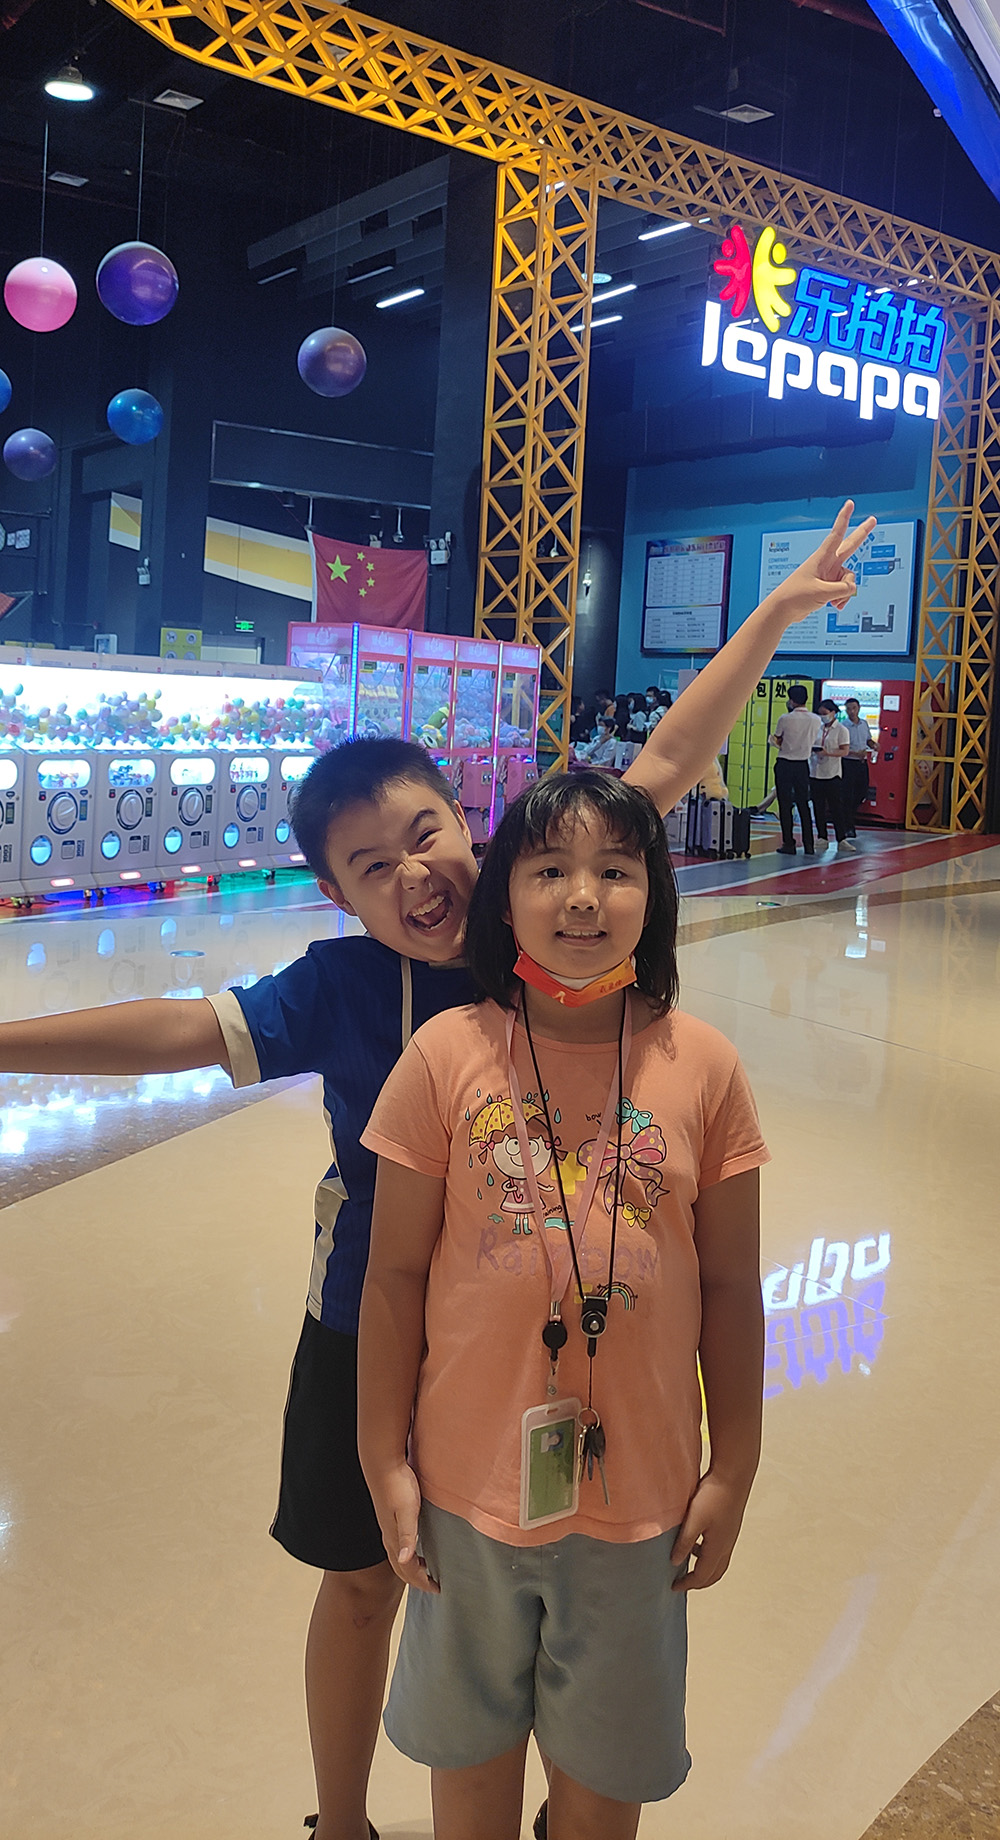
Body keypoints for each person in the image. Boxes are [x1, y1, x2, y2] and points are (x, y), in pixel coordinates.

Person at [0, 500, 873, 1840]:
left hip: (535, 1341)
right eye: (370, 866)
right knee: (362, 1580)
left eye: (424, 834)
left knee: (528, 1576)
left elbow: (664, 764)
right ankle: (340, 1819)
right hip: (367, 1318)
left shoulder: (539, 904)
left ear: (471, 825)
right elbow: (183, 1027)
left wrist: (772, 612)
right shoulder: (339, 987)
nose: (413, 872)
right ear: (338, 896)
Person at [357, 772, 769, 1840]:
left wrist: (733, 1467)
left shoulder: (703, 1067)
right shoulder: (445, 1057)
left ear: (654, 893)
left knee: (601, 1788)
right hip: (466, 1494)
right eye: (549, 870)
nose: (583, 897)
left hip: (640, 1505)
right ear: (504, 895)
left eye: (615, 870)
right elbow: (394, 1275)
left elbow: (731, 1286)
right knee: (469, 1772)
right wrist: (385, 1459)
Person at [769, 684, 822, 856]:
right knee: (803, 804)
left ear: (791, 700)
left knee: (785, 805)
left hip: (785, 763)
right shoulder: (816, 719)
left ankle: (789, 843)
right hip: (802, 765)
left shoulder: (785, 718)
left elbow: (778, 739)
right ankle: (809, 844)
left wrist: (774, 741)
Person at [810, 698, 853, 851]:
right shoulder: (818, 728)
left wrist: (828, 753)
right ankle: (822, 837)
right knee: (818, 807)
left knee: (836, 807)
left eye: (825, 713)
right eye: (820, 713)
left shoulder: (841, 730)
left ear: (833, 712)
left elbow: (845, 751)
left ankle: (841, 838)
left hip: (832, 774)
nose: (822, 716)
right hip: (815, 772)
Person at [842, 696, 875, 837]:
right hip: (848, 762)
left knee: (862, 792)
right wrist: (855, 753)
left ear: (859, 708)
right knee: (847, 794)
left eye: (854, 708)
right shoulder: (843, 726)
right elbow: (841, 747)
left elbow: (868, 740)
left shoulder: (864, 724)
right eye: (849, 709)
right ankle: (848, 826)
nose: (852, 711)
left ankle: (849, 816)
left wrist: (874, 745)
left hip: (862, 763)